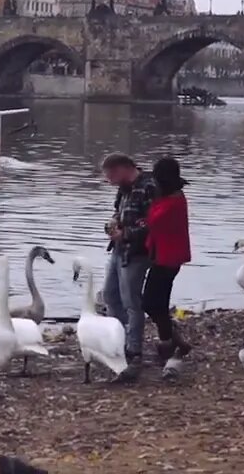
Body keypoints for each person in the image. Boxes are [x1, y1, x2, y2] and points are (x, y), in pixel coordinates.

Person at [99, 153, 156, 371]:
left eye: (110, 175)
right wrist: (114, 223)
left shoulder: (148, 187)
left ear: (122, 169)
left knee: (131, 301)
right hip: (119, 250)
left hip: (137, 253)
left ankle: (134, 349)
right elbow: (119, 211)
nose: (109, 180)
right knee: (111, 295)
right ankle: (117, 341)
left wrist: (126, 234)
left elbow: (153, 223)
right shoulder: (124, 188)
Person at [143, 156, 193, 361]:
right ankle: (173, 339)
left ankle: (168, 342)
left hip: (168, 258)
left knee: (153, 303)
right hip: (165, 255)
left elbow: (153, 220)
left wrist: (152, 200)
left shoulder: (173, 201)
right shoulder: (173, 196)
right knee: (155, 302)